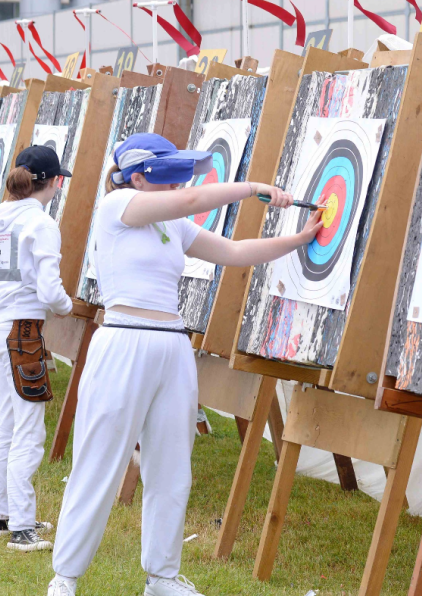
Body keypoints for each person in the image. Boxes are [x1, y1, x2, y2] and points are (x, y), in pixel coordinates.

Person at [48, 133, 323, 596]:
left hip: (172, 346)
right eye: (169, 175)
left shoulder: (173, 222)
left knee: (172, 467)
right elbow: (195, 196)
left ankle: (162, 578)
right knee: (99, 461)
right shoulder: (119, 206)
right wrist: (253, 187)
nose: (180, 185)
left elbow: (234, 253)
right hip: (123, 341)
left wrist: (298, 239)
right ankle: (66, 578)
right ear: (137, 176)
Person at [0, 146, 72, 553]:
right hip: (22, 331)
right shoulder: (41, 223)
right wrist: (68, 307)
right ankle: (21, 527)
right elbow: (50, 290)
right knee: (30, 430)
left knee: (9, 421)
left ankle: (3, 515)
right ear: (54, 182)